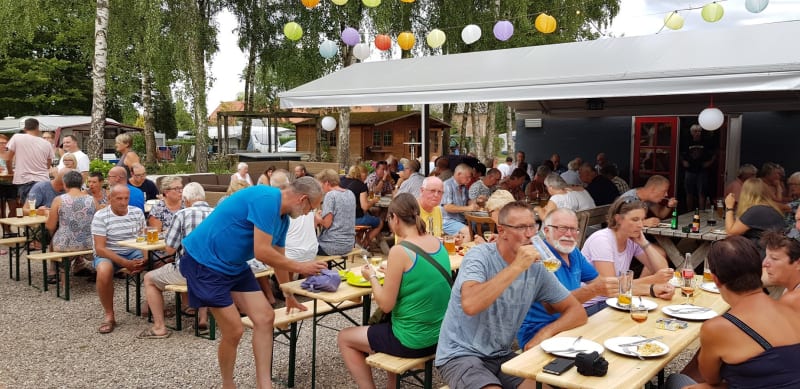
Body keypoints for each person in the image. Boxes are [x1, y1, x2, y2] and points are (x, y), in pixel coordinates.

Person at [179, 177, 327, 389]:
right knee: (234, 330)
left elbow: (279, 257)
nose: (309, 213)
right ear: (302, 200)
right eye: (312, 207)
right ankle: (228, 384)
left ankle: (264, 385)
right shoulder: (267, 199)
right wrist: (301, 267)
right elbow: (262, 252)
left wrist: (287, 294)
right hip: (205, 262)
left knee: (265, 317)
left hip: (234, 264)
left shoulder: (283, 219)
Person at [435, 201, 583, 389]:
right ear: (501, 230)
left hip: (501, 355)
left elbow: (576, 311)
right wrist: (517, 266)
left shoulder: (537, 268)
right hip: (461, 354)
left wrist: (544, 334)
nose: (530, 234)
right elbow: (470, 305)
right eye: (521, 227)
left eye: (532, 226)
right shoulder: (480, 256)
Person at [338, 193, 452, 388]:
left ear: (395, 218)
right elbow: (419, 277)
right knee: (389, 326)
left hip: (412, 340)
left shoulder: (400, 250)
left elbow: (385, 304)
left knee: (344, 337)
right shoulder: (436, 243)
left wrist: (372, 277)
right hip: (439, 336)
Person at [665, 236, 800, 389]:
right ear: (759, 269)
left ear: (715, 280)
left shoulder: (718, 328)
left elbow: (711, 378)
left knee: (676, 381)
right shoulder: (791, 307)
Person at [517, 209, 617, 347]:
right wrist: (594, 290)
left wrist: (651, 285)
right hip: (538, 332)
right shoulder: (538, 257)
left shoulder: (573, 252)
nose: (569, 234)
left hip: (571, 324)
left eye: (574, 229)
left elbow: (601, 283)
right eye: (562, 228)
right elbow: (553, 306)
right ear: (546, 231)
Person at [139, 182, 213, 339]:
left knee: (149, 278)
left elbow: (170, 249)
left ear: (186, 199)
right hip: (217, 270)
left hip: (189, 272)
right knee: (204, 269)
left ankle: (159, 327)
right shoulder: (217, 213)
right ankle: (203, 318)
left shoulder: (182, 214)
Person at [581, 197, 675, 312]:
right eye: (635, 219)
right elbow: (611, 288)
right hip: (593, 305)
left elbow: (663, 270)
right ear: (618, 219)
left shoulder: (631, 239)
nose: (641, 225)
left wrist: (644, 242)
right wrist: (652, 282)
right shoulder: (602, 240)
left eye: (642, 219)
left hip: (616, 300)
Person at [92, 184, 147, 334]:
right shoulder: (101, 216)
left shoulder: (137, 212)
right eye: (119, 199)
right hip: (108, 253)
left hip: (132, 251)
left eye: (126, 198)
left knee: (159, 262)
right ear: (110, 199)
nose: (123, 202)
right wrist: (124, 263)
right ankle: (109, 314)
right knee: (104, 270)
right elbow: (100, 248)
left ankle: (152, 305)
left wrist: (146, 257)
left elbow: (144, 238)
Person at [45, 170, 96, 277]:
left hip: (65, 245)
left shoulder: (59, 200)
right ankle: (79, 265)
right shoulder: (92, 200)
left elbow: (50, 226)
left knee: (55, 237)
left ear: (65, 184)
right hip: (90, 243)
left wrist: (47, 214)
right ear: (81, 183)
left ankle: (55, 273)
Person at [723, 178, 785, 249]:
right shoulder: (768, 207)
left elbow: (731, 233)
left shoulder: (756, 211)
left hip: (760, 253)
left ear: (745, 193)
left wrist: (729, 207)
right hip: (771, 250)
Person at [7, 118, 54, 202]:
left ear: (25, 128)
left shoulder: (17, 137)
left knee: (28, 210)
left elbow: (8, 159)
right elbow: (48, 165)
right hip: (43, 180)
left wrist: (10, 172)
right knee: (42, 209)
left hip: (25, 180)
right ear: (38, 128)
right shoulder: (47, 143)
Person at [315, 169, 356, 256]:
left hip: (331, 245)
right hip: (349, 244)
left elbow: (326, 224)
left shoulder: (330, 195)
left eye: (320, 185)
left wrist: (317, 217)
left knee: (304, 248)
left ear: (326, 183)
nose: (320, 189)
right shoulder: (350, 193)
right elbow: (341, 214)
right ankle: (327, 268)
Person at [340, 165, 382, 248]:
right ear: (360, 174)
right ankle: (363, 245)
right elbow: (365, 207)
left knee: (368, 216)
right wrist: (373, 201)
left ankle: (358, 242)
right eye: (365, 175)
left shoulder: (341, 181)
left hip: (340, 218)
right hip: (355, 219)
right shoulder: (360, 185)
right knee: (380, 222)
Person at [761, 230, 800, 309]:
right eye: (766, 256)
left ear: (798, 264)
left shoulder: (793, 301)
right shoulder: (791, 288)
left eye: (774, 258)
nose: (764, 264)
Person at [681, 124, 716, 211]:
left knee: (702, 193)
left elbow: (715, 153)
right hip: (690, 170)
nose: (698, 133)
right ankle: (688, 211)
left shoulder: (706, 142)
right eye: (695, 131)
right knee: (689, 193)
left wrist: (710, 162)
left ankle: (701, 212)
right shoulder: (687, 142)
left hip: (702, 170)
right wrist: (683, 161)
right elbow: (679, 153)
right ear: (691, 132)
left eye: (699, 131)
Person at [441, 164, 477, 242]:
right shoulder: (447, 185)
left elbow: (468, 200)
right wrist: (468, 208)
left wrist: (474, 202)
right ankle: (462, 252)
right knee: (468, 232)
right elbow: (447, 207)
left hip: (460, 219)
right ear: (458, 174)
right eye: (468, 177)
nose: (469, 180)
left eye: (470, 177)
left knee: (475, 225)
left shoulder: (463, 187)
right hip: (447, 220)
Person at [0, 134, 17, 238]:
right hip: (0, 183)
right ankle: (6, 230)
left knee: (14, 208)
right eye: (0, 143)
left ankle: (8, 226)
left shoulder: (11, 154)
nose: (2, 145)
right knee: (1, 209)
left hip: (11, 183)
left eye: (4, 142)